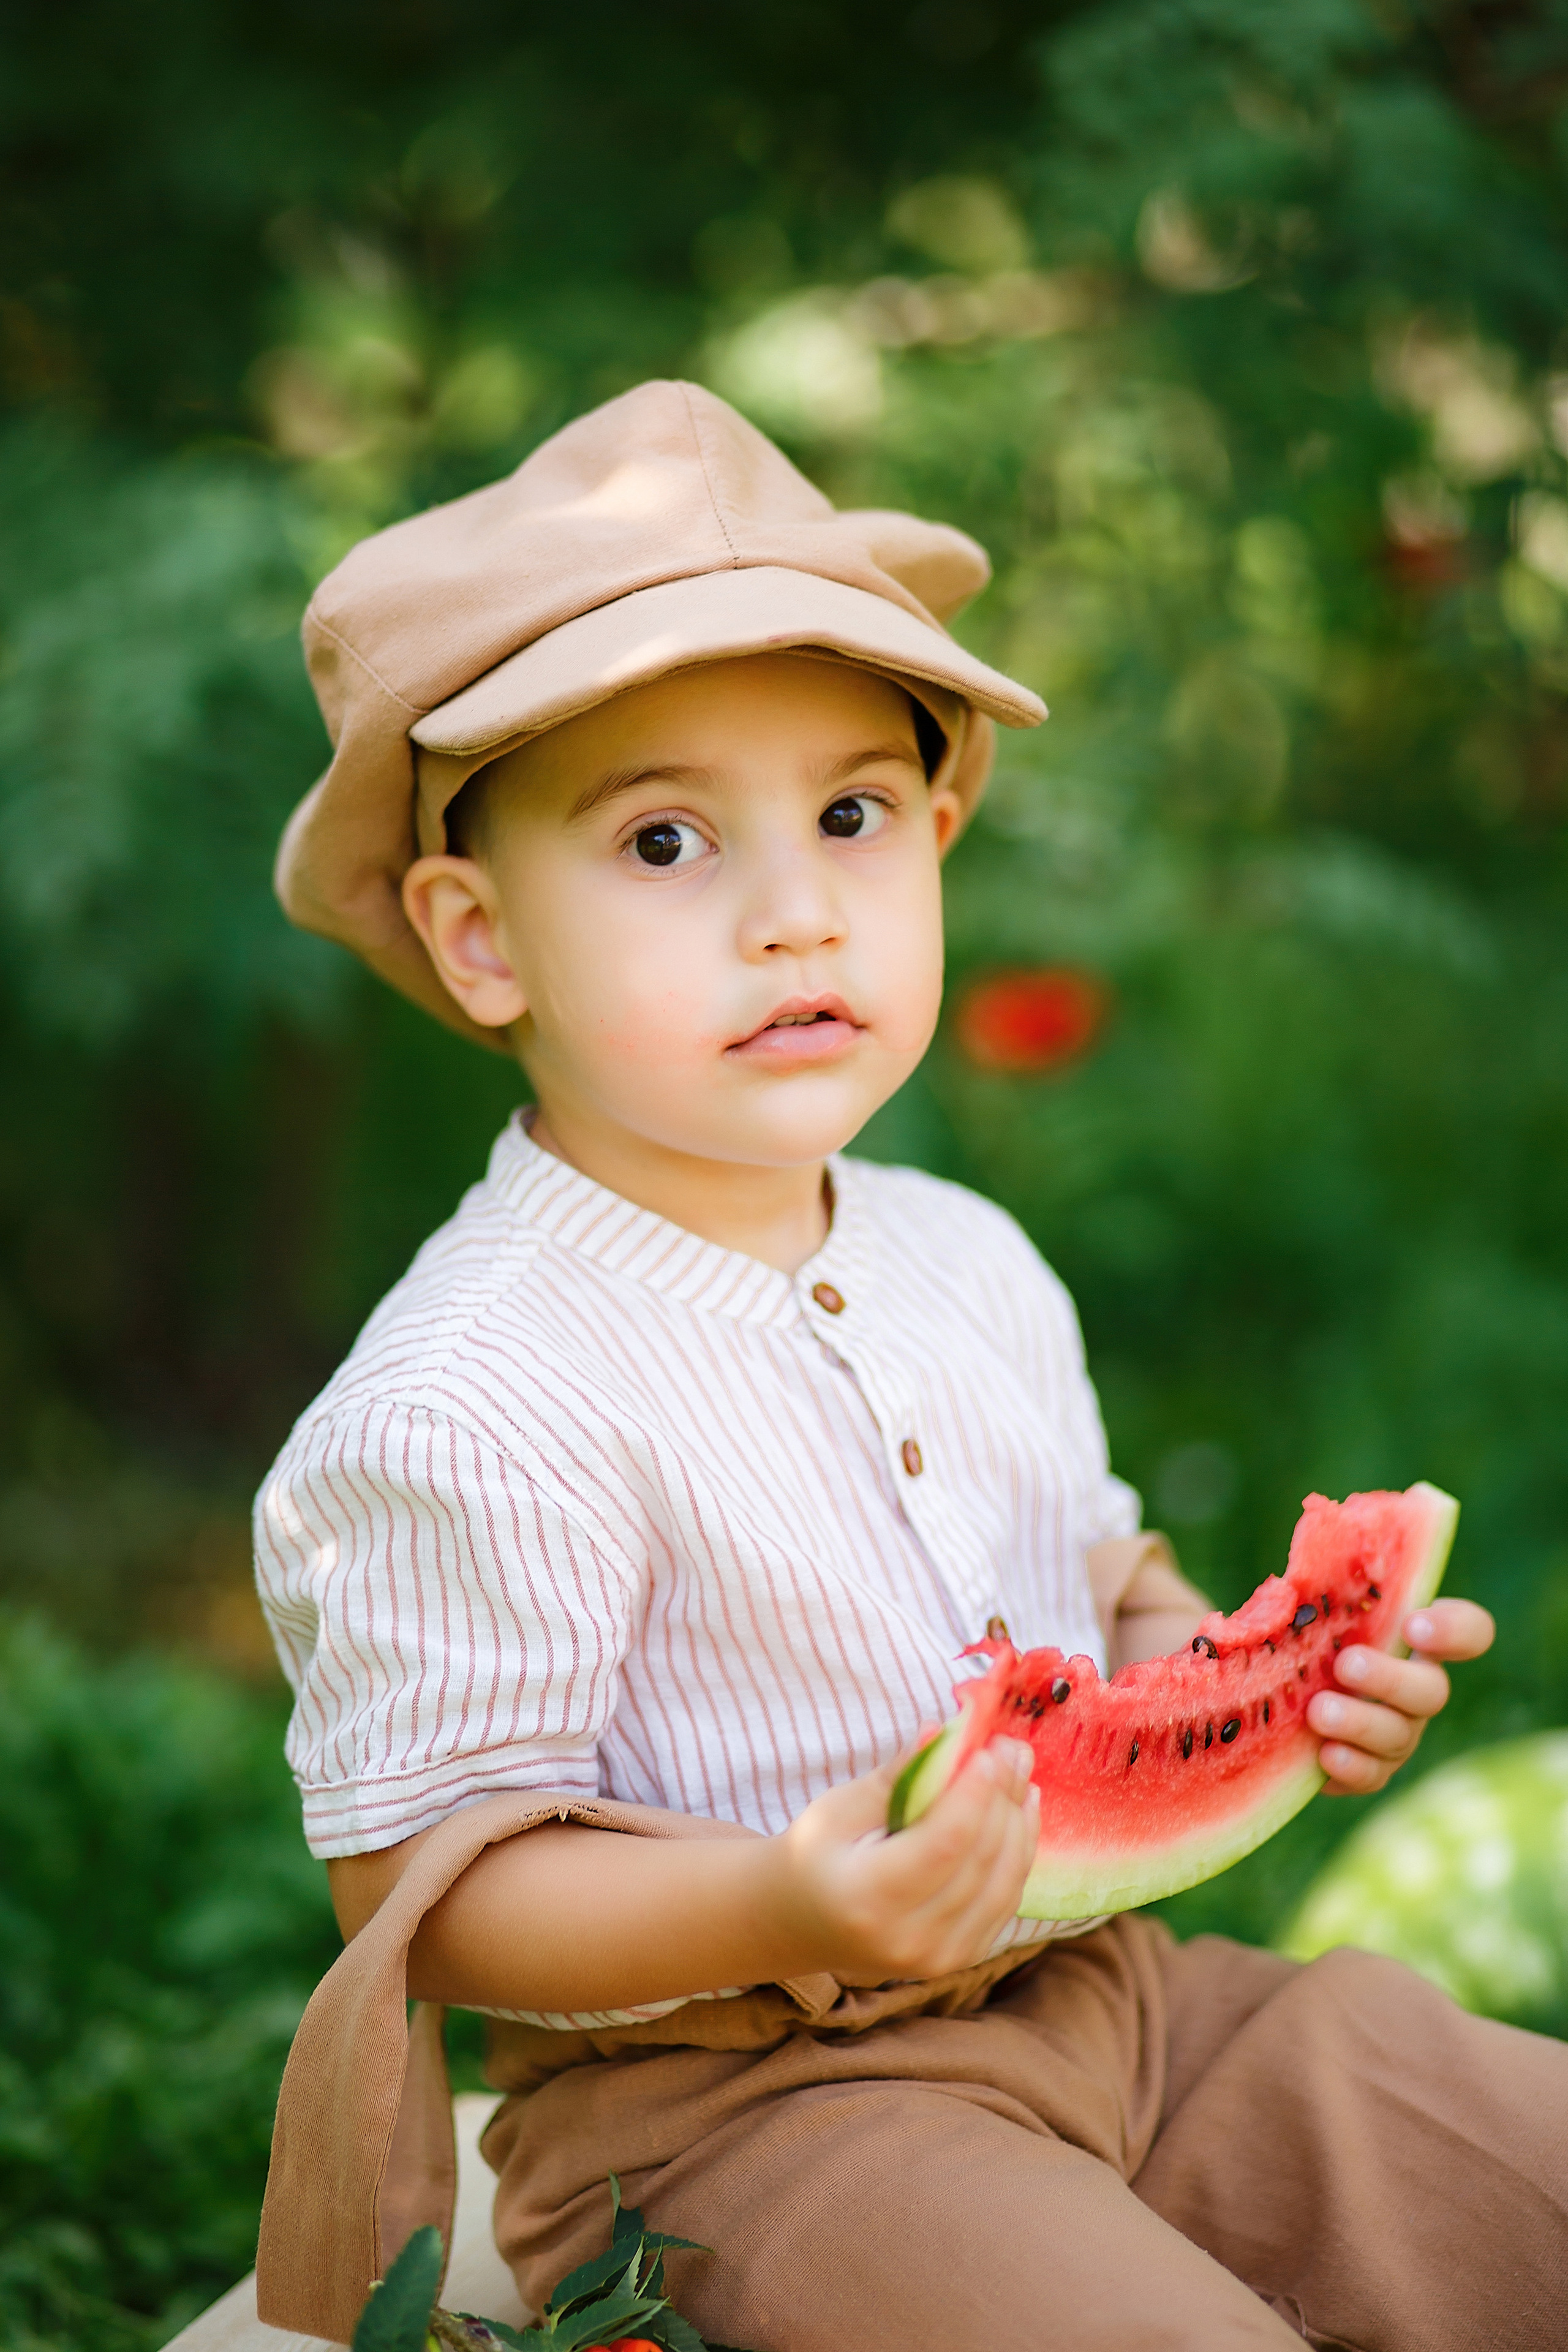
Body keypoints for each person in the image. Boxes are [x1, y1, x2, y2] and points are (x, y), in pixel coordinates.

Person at [252, 382, 1562, 2352]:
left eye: (854, 815)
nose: (797, 912)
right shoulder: (470, 1399)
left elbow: (1104, 1581)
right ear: (480, 939)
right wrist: (788, 1907)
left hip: (1128, 2000)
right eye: (669, 839)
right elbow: (425, 1892)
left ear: (938, 834)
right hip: (740, 2114)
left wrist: (1255, 1676)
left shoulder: (971, 1258)